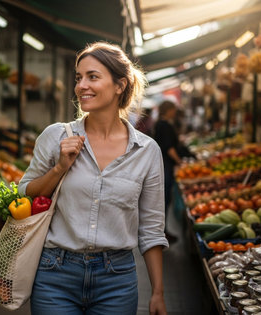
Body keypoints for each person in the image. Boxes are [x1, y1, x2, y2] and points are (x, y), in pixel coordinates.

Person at [18, 42, 168, 315]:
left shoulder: (146, 151)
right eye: (79, 78)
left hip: (117, 280)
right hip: (55, 275)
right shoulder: (56, 137)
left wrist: (157, 292)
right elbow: (24, 193)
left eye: (93, 77)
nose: (81, 86)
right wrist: (59, 168)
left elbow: (151, 229)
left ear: (120, 85)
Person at [153, 100, 182, 243]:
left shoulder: (161, 124)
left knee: (164, 199)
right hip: (165, 165)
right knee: (163, 199)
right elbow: (169, 148)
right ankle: (160, 233)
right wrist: (179, 161)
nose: (175, 112)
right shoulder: (164, 125)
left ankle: (162, 231)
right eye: (173, 109)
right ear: (168, 110)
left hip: (163, 164)